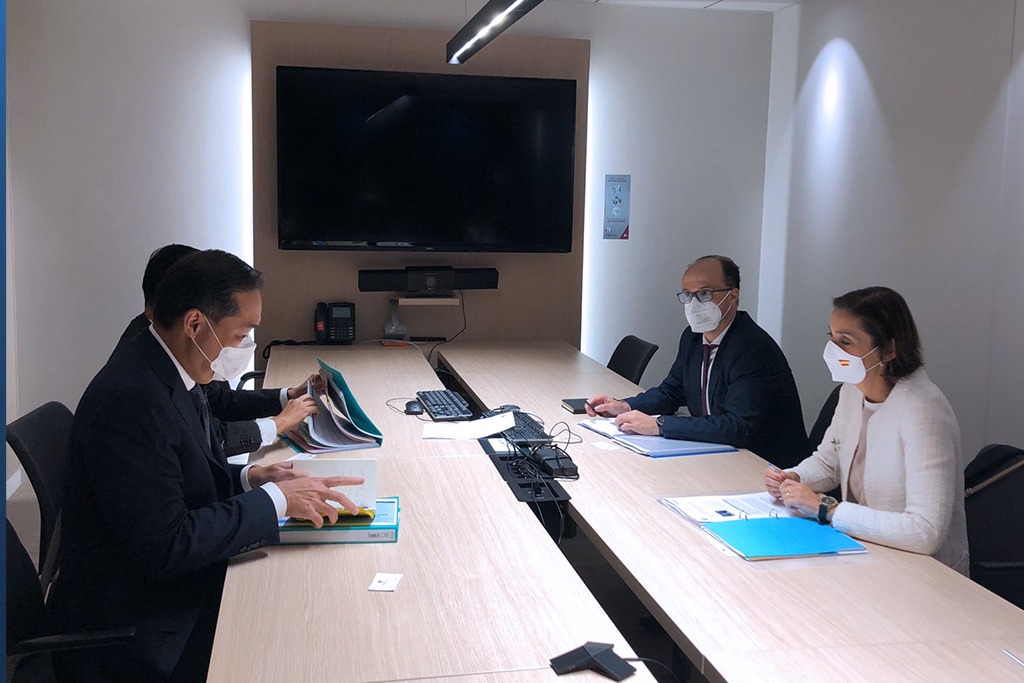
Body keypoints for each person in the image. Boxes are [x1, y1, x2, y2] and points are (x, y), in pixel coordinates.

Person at [51, 250, 363, 681]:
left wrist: (251, 477)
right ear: (195, 324)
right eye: (241, 335)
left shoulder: (167, 367)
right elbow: (169, 544)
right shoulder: (131, 400)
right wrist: (276, 500)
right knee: (299, 639)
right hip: (138, 631)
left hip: (164, 589)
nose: (245, 348)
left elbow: (177, 475)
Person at [764, 286, 968, 574]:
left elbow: (926, 531)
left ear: (889, 350)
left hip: (923, 573)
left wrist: (827, 508)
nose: (833, 350)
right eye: (832, 337)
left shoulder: (924, 410)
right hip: (865, 552)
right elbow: (829, 460)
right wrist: (794, 477)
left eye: (845, 341)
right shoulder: (852, 391)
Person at [587, 255, 809, 468]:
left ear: (732, 296)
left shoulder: (752, 347)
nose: (694, 304)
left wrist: (659, 424)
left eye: (704, 293)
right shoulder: (692, 337)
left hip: (765, 466)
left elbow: (738, 427)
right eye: (687, 295)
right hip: (718, 455)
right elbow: (672, 391)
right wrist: (624, 406)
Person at [113, 243, 316, 456]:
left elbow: (217, 402)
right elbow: (207, 440)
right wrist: (277, 424)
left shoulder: (172, 351)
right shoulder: (141, 392)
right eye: (240, 335)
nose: (242, 345)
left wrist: (289, 395)